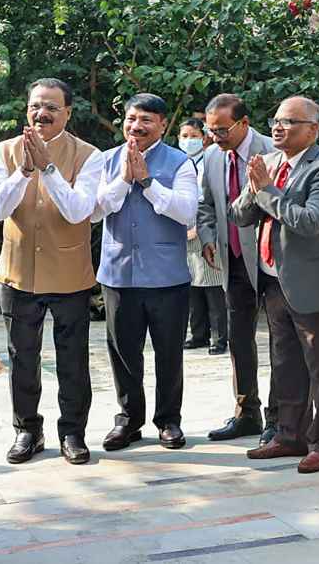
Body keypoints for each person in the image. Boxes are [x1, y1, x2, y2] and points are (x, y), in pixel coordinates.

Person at [230, 96, 319, 474]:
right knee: (285, 365)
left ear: (312, 130)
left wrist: (267, 190)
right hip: (274, 282)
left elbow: (310, 221)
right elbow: (239, 216)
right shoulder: (268, 164)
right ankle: (288, 434)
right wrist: (256, 190)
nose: (278, 128)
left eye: (290, 122)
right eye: (276, 121)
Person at [0, 78, 102, 466]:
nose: (42, 113)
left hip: (70, 272)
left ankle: (72, 431)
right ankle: (27, 430)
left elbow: (78, 210)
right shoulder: (4, 151)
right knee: (22, 356)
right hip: (18, 272)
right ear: (27, 110)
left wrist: (48, 169)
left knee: (72, 358)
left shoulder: (89, 155)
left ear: (68, 113)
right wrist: (23, 171)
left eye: (52, 107)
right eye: (36, 105)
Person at [94, 93, 198, 451]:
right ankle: (128, 420)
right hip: (118, 274)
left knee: (169, 352)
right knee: (123, 352)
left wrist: (149, 182)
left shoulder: (180, 162)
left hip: (167, 276)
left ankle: (169, 420)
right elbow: (95, 211)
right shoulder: (106, 160)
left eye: (146, 120)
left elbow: (186, 212)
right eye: (131, 119)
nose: (136, 127)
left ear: (163, 125)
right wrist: (125, 179)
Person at [198, 93, 278, 445]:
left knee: (283, 342)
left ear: (244, 123)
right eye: (210, 129)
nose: (215, 136)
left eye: (222, 129)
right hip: (232, 262)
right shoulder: (212, 156)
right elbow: (205, 203)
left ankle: (281, 417)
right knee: (239, 339)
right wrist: (207, 238)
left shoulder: (273, 150)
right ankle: (247, 412)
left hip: (272, 262)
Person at [179, 117, 228, 355]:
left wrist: (200, 228)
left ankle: (219, 338)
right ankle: (198, 334)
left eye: (193, 136)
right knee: (192, 285)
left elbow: (211, 201)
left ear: (205, 136)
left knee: (213, 286)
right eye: (184, 136)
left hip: (207, 229)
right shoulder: (180, 163)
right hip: (183, 229)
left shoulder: (212, 160)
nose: (188, 141)